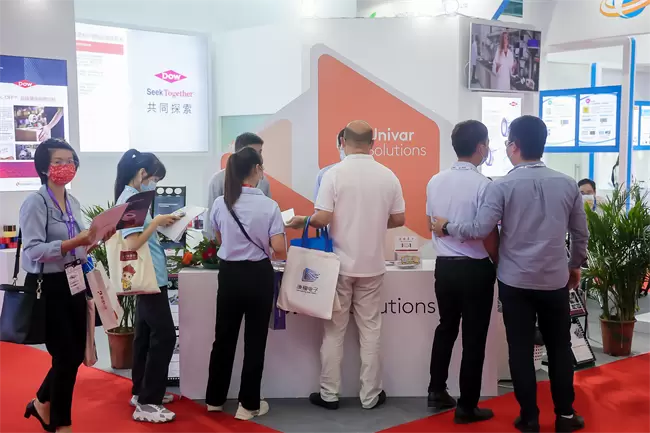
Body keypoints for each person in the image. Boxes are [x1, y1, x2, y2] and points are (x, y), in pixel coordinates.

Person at [432, 115, 589, 433]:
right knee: (559, 346)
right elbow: (580, 233)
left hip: (514, 281)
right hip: (554, 279)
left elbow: (480, 229)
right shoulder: (567, 184)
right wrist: (574, 265)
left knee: (520, 349)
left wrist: (446, 226)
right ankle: (565, 415)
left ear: (514, 146)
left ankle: (529, 418)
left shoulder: (500, 185)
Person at [287, 120, 406, 410]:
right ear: (373, 143)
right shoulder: (388, 175)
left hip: (337, 266)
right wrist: (375, 221)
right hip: (373, 265)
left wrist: (303, 221)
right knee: (371, 331)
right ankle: (370, 396)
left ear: (343, 142)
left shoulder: (333, 174)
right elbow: (399, 219)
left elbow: (322, 218)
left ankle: (329, 394)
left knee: (333, 332)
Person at [21, 138, 114, 433]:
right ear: (44, 168)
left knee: (74, 354)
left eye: (70, 161)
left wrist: (97, 239)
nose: (66, 166)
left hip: (74, 281)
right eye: (59, 161)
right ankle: (61, 424)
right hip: (48, 286)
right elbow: (33, 250)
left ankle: (41, 403)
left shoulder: (73, 202)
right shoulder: (35, 203)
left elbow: (80, 247)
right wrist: (74, 242)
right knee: (64, 355)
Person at [425, 121, 499, 424]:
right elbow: (488, 233)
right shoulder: (484, 185)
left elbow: (431, 224)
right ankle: (467, 406)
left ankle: (436, 390)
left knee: (446, 328)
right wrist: (499, 263)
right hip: (475, 268)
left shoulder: (435, 181)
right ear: (480, 147)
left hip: (444, 267)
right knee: (474, 337)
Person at [205, 147, 287, 420]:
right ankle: (248, 405)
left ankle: (214, 400)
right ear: (256, 169)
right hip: (258, 275)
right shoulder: (269, 206)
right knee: (255, 341)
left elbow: (218, 238)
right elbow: (279, 248)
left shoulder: (221, 203)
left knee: (223, 338)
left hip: (229, 275)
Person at [114, 149, 180, 424]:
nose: (155, 185)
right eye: (154, 179)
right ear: (143, 174)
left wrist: (157, 223)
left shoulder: (130, 197)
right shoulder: (134, 199)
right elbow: (133, 242)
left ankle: (141, 390)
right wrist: (156, 222)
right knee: (164, 337)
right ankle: (149, 402)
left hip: (148, 276)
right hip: (150, 278)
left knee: (145, 335)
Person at [205, 133, 271, 239]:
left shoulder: (263, 181)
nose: (259, 157)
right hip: (226, 243)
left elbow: (269, 217)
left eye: (260, 152)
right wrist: (213, 245)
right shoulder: (218, 181)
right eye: (254, 153)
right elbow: (211, 222)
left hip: (257, 243)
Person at [314, 128, 346, 201]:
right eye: (346, 145)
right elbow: (319, 205)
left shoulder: (372, 172)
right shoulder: (324, 174)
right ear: (339, 147)